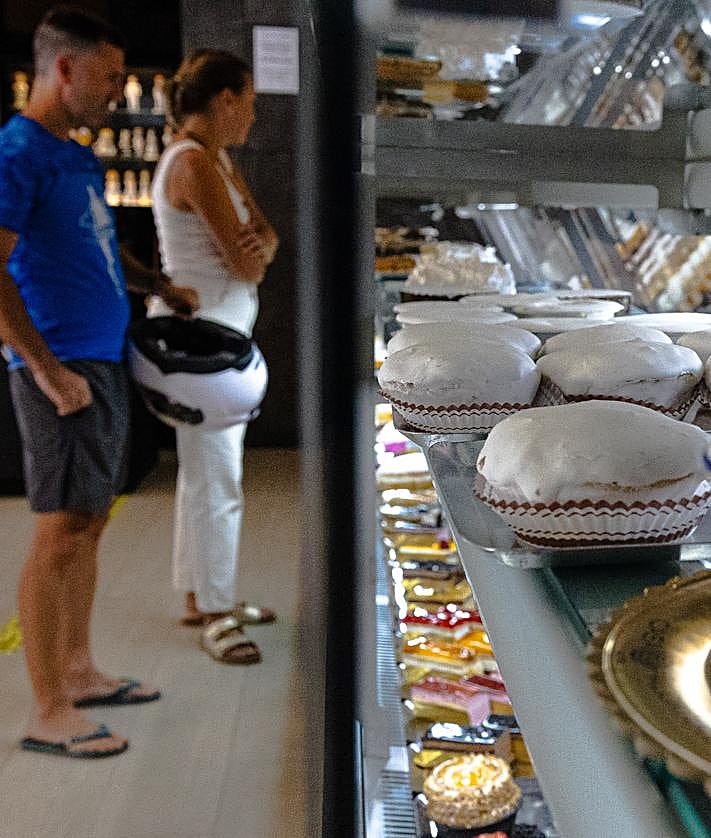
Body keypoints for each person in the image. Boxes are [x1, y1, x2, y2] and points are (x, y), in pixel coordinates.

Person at [0, 6, 197, 758]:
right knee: (57, 533)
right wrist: (46, 372)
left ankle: (79, 671)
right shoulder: (16, 152)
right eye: (110, 77)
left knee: (90, 521)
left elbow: (99, 248)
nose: (120, 90)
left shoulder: (75, 155)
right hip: (60, 366)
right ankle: (47, 708)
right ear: (64, 69)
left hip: (103, 354)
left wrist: (157, 285)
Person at [149, 49, 279, 663]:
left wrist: (263, 243)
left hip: (214, 340)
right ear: (224, 100)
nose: (252, 116)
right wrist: (261, 247)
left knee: (202, 474)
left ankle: (201, 595)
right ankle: (219, 610)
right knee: (217, 477)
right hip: (202, 348)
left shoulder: (214, 158)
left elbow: (266, 230)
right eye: (248, 102)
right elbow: (248, 257)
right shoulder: (196, 164)